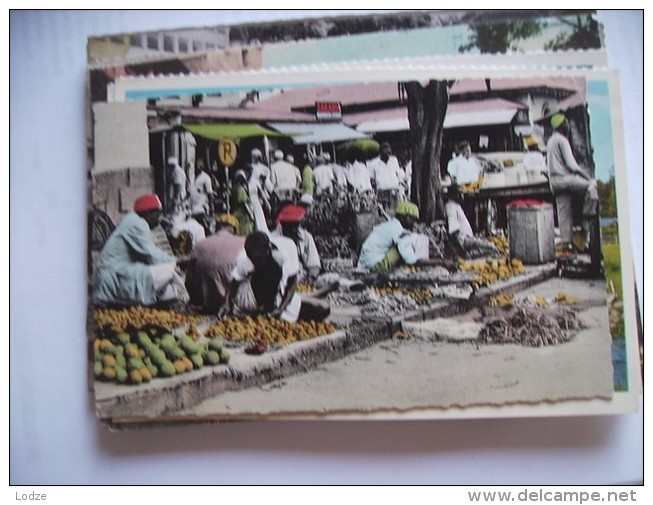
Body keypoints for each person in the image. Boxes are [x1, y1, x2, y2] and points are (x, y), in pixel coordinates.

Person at [93, 193, 189, 306]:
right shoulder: (137, 223)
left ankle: (172, 298)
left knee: (170, 286)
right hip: (113, 277)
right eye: (157, 215)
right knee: (169, 270)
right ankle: (183, 299)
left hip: (116, 274)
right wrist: (178, 260)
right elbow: (151, 255)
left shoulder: (132, 220)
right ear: (148, 213)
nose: (159, 219)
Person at [222, 231, 328, 322]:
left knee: (323, 309)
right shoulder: (244, 258)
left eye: (258, 259)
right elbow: (233, 283)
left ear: (268, 250)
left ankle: (303, 298)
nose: (254, 262)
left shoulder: (287, 249)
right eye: (251, 259)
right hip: (251, 298)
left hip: (279, 295)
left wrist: (281, 309)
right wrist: (227, 305)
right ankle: (263, 310)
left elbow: (292, 282)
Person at [545, 112, 597, 254]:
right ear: (562, 126)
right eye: (567, 123)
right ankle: (585, 225)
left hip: (554, 182)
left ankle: (566, 243)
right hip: (564, 179)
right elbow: (572, 165)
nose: (568, 126)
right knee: (591, 187)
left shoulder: (551, 141)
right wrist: (587, 177)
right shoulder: (562, 140)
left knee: (564, 213)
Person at [184, 213, 246, 314]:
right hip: (234, 301)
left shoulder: (200, 244)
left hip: (206, 300)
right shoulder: (244, 242)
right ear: (234, 229)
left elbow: (189, 280)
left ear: (216, 228)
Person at [356, 201, 432, 273]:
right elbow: (410, 260)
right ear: (404, 217)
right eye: (412, 219)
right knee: (410, 242)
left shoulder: (389, 225)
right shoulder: (398, 230)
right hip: (373, 266)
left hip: (366, 263)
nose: (414, 223)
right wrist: (438, 262)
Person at [445, 185, 499, 259]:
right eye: (459, 193)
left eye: (462, 193)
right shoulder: (451, 207)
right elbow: (453, 231)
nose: (462, 196)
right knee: (492, 248)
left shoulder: (456, 205)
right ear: (452, 195)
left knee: (490, 249)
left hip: (468, 239)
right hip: (464, 240)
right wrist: (462, 252)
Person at [271, 204, 321, 282]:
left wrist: (310, 278)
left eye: (296, 225)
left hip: (303, 277)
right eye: (289, 225)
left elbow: (314, 264)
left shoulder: (306, 237)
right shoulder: (273, 238)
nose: (293, 229)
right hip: (281, 279)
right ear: (282, 224)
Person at [367, 142, 405, 210]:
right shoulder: (374, 163)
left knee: (396, 209)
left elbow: (398, 173)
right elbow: (371, 178)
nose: (387, 151)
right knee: (384, 211)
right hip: (382, 190)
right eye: (385, 149)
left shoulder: (394, 160)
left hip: (394, 188)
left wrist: (401, 183)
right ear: (380, 151)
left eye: (388, 149)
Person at [247, 148, 273, 232]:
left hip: (257, 191)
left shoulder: (250, 167)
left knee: (257, 213)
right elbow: (267, 183)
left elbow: (266, 182)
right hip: (257, 191)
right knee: (259, 213)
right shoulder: (263, 168)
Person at [230, 168, 255, 236]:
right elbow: (243, 203)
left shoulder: (235, 188)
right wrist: (250, 215)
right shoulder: (240, 189)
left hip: (238, 214)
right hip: (243, 215)